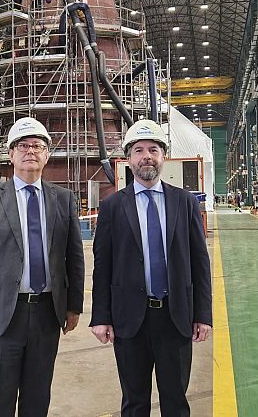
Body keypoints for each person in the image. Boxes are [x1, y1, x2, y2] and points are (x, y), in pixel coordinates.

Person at [0, 116, 86, 417]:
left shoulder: (63, 199)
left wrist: (73, 306)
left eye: (38, 146)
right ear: (11, 154)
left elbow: (75, 256)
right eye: (23, 145)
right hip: (3, 313)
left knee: (37, 396)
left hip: (47, 312)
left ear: (47, 155)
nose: (30, 151)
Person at [90, 119, 212, 416]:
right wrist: (100, 317)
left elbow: (200, 262)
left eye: (154, 149)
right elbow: (102, 266)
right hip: (130, 319)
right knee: (134, 401)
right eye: (139, 150)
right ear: (128, 159)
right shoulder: (112, 207)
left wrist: (203, 315)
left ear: (163, 157)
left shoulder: (185, 202)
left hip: (175, 316)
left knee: (175, 400)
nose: (147, 156)